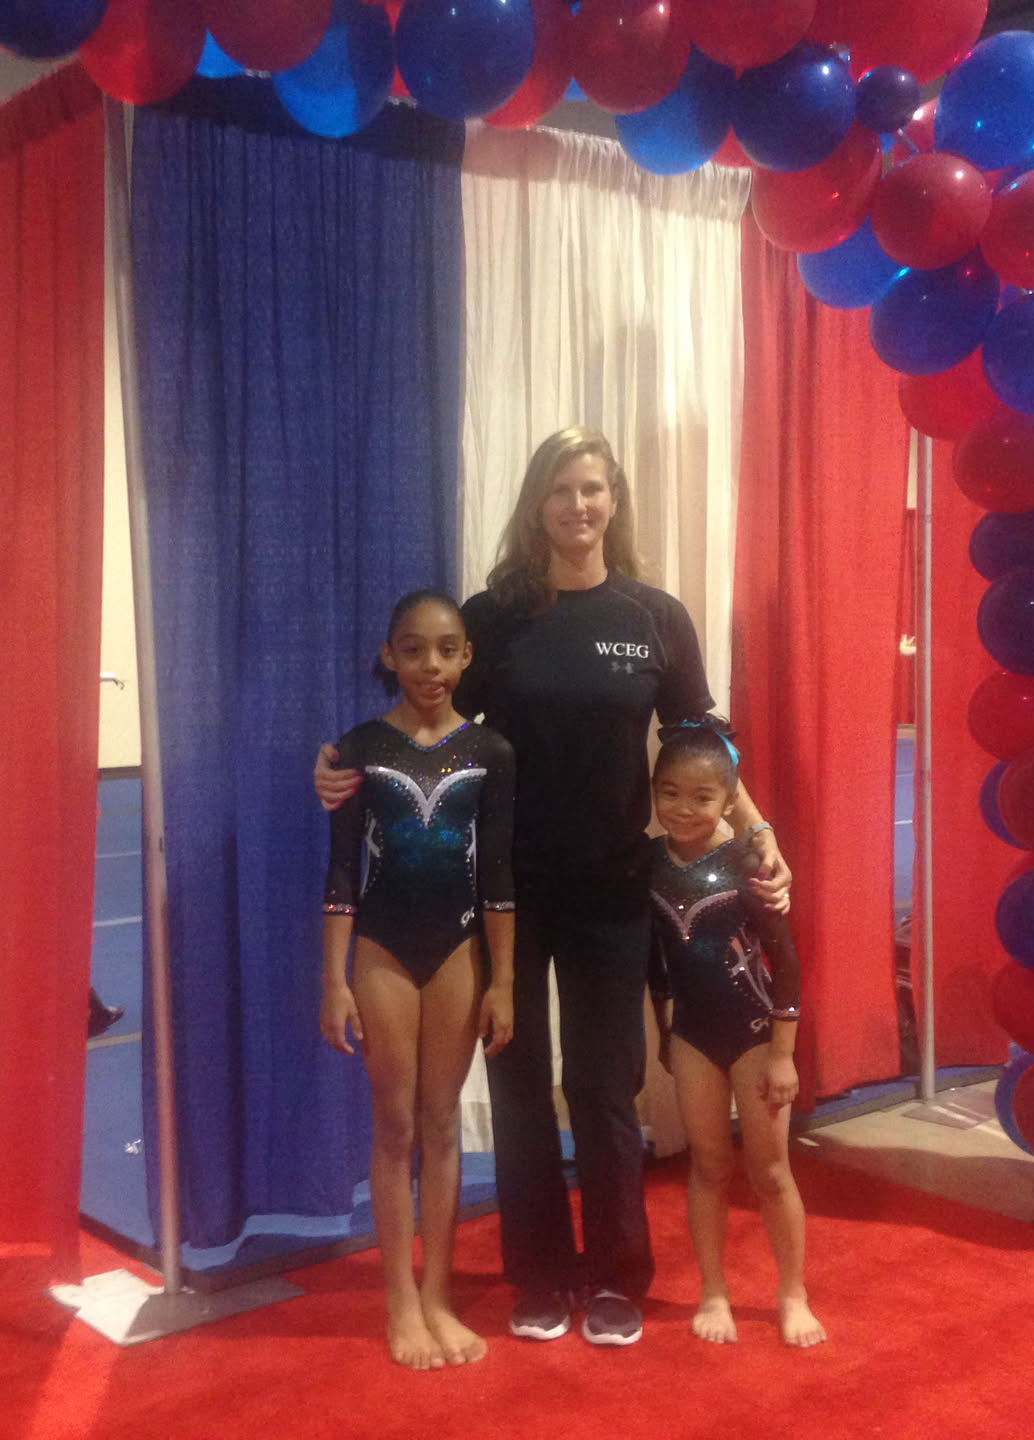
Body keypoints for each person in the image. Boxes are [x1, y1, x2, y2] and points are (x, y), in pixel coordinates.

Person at [315, 427, 790, 1347]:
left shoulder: (654, 616)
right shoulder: (495, 617)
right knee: (520, 1081)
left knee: (607, 1085)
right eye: (562, 490)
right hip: (508, 894)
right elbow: (429, 721)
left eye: (593, 489)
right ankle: (539, 1271)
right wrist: (339, 767)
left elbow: (702, 742)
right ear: (537, 505)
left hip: (613, 888)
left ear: (614, 501)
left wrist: (757, 829)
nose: (579, 505)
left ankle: (615, 1275)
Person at [320, 590, 517, 1371]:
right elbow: (342, 872)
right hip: (384, 952)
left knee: (440, 1125)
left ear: (466, 656)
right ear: (388, 655)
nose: (429, 665)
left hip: (461, 951)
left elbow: (497, 875)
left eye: (445, 649)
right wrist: (333, 980)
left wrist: (504, 980)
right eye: (412, 649)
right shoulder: (359, 749)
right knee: (394, 1126)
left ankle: (437, 1295)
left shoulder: (491, 752)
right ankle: (398, 1300)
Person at [647, 720, 823, 1348]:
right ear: (653, 793)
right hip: (693, 1036)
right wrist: (665, 1027)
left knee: (770, 1170)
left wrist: (783, 1055)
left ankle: (792, 1293)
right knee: (708, 1166)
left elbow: (787, 964)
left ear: (728, 800)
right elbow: (654, 962)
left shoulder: (748, 863)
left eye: (702, 797)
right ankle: (713, 1290)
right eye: (670, 793)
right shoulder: (649, 865)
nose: (684, 809)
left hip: (755, 1036)